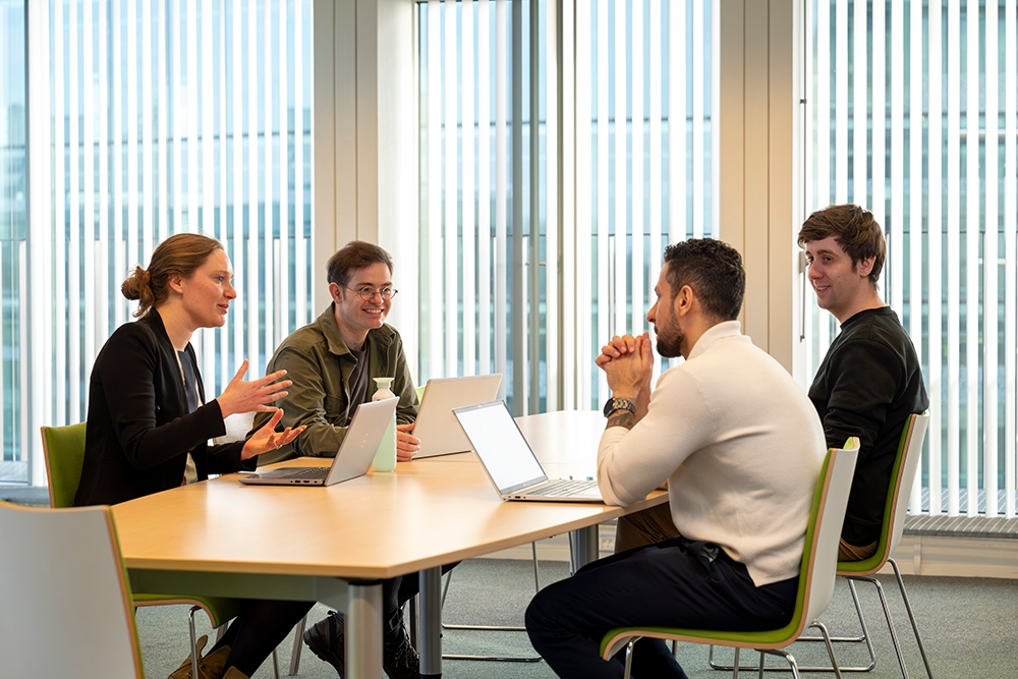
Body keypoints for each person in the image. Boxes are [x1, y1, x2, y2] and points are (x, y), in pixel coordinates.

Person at [524, 238, 827, 678]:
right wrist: (645, 389)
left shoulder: (699, 380)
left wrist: (623, 397)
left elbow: (617, 485)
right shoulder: (749, 363)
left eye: (658, 296)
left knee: (550, 614)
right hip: (778, 574)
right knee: (606, 594)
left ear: (684, 299)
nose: (651, 314)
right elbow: (655, 458)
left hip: (746, 583)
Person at [74, 233, 313, 679]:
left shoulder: (183, 353)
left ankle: (213, 670)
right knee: (302, 563)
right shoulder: (133, 344)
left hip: (173, 515)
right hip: (126, 528)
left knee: (310, 557)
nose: (232, 292)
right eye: (219, 278)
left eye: (231, 280)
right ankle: (219, 670)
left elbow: (183, 457)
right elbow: (142, 450)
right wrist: (222, 409)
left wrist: (243, 450)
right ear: (177, 282)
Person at [251, 240, 449, 679]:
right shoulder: (302, 350)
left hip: (357, 479)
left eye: (386, 289)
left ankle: (350, 624)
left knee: (443, 542)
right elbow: (306, 436)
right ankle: (380, 641)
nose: (379, 301)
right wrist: (379, 437)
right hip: (292, 487)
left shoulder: (387, 339)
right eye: (365, 289)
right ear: (336, 293)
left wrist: (392, 437)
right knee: (391, 542)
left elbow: (408, 413)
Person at [799, 204, 929, 561]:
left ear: (866, 263)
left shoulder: (867, 345)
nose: (813, 272)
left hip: (838, 529)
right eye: (810, 258)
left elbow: (837, 457)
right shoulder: (873, 332)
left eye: (827, 258)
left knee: (663, 515)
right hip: (845, 519)